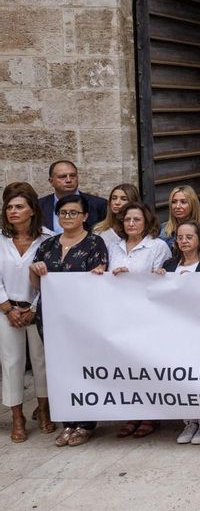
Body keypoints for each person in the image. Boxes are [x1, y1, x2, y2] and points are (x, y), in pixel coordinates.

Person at [30, 194, 108, 446]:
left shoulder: (95, 243)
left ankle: (85, 423)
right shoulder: (47, 245)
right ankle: (68, 422)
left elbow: (99, 279)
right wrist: (34, 271)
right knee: (58, 369)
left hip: (82, 317)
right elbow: (37, 285)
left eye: (73, 213)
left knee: (83, 368)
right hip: (51, 317)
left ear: (85, 216)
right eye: (63, 213)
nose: (67, 217)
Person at [155, 220, 200, 445]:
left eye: (189, 237)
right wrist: (157, 277)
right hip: (175, 330)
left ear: (199, 239)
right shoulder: (169, 265)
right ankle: (189, 421)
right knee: (181, 376)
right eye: (180, 237)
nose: (183, 241)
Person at [1, 185, 54, 443]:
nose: (13, 211)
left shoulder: (48, 239)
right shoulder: (0, 239)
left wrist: (33, 307)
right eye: (9, 207)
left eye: (19, 207)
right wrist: (8, 308)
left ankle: (44, 410)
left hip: (37, 309)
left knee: (41, 360)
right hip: (6, 309)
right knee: (11, 363)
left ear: (32, 210)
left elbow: (52, 278)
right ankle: (17, 417)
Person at [38, 161, 107, 233]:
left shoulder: (99, 204)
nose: (69, 180)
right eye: (62, 177)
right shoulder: (39, 206)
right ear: (51, 181)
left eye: (72, 175)